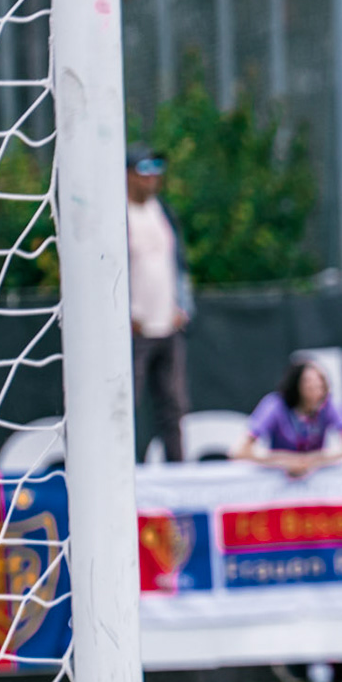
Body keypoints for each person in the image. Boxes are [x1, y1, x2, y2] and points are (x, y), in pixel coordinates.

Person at [125, 145, 192, 462]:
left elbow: (179, 264)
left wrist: (183, 308)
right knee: (126, 404)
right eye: (144, 170)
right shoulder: (117, 216)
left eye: (156, 169)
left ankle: (178, 473)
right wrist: (124, 314)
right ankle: (123, 471)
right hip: (134, 331)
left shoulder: (163, 211)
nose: (152, 177)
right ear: (127, 175)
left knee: (173, 405)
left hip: (168, 327)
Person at [232, 361, 342, 477]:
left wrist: (313, 461)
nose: (315, 387)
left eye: (320, 382)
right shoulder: (274, 405)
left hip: (315, 482)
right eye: (308, 383)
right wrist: (285, 462)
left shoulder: (330, 405)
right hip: (279, 482)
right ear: (295, 385)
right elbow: (241, 451)